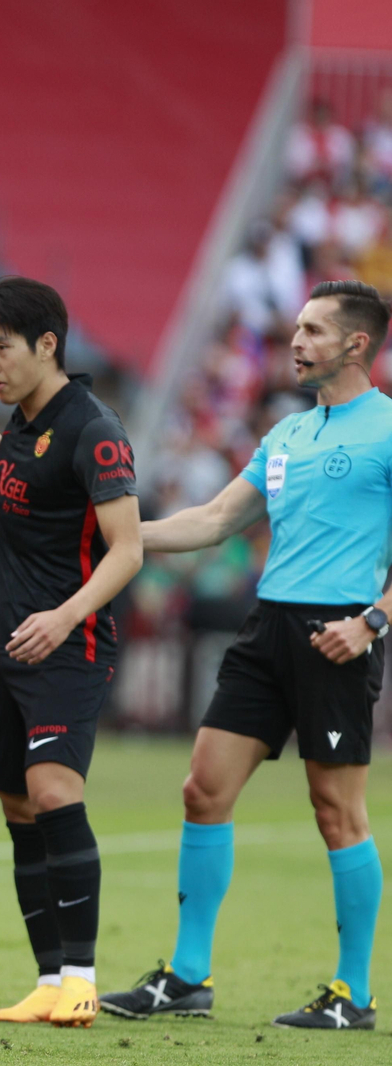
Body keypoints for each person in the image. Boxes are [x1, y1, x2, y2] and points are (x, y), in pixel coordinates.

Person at [101, 280, 392, 1031]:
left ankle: (353, 994)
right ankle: (187, 977)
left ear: (356, 344)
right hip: (268, 631)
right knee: (203, 790)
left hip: (339, 635)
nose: (295, 341)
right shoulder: (287, 435)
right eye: (296, 327)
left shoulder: (389, 428)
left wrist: (373, 623)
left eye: (312, 330)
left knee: (337, 812)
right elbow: (213, 518)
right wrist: (112, 530)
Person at [0, 276, 142, 1028]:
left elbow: (125, 552)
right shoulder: (25, 422)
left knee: (56, 791)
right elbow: (20, 482)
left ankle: (84, 980)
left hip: (69, 641)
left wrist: (63, 618)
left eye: (1, 348)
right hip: (6, 639)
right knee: (17, 802)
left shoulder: (94, 426)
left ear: (48, 345)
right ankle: (48, 976)